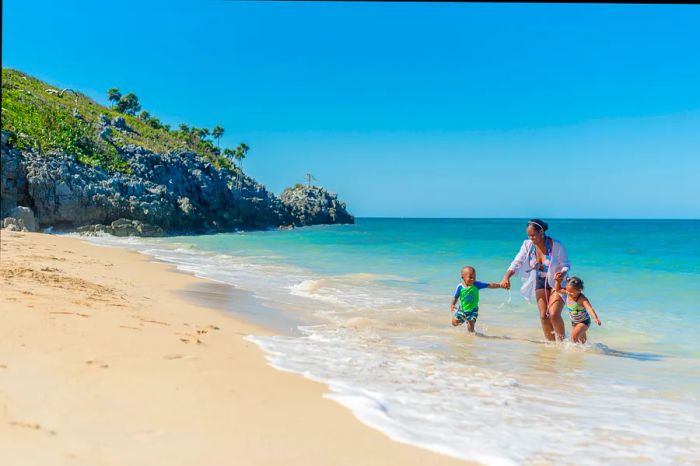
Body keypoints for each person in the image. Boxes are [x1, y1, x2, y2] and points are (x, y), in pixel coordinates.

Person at [500, 219, 571, 341]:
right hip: (540, 281)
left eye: (533, 235)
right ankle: (551, 346)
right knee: (544, 316)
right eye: (529, 235)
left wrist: (562, 273)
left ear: (541, 231)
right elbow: (517, 262)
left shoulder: (556, 245)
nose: (531, 238)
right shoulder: (527, 245)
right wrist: (506, 277)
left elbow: (566, 264)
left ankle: (562, 344)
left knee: (553, 314)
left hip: (557, 282)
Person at [451, 266, 505, 333]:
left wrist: (500, 285)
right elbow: (456, 297)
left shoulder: (476, 284)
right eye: (470, 277)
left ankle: (470, 339)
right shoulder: (460, 287)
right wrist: (453, 304)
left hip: (473, 310)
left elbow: (489, 285)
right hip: (462, 309)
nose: (472, 279)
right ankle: (462, 321)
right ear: (463, 277)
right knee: (454, 323)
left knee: (471, 326)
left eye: (474, 277)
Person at [551, 274, 601, 344]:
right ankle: (585, 352)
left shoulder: (582, 299)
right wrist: (557, 281)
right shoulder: (568, 292)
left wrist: (596, 319)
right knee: (583, 343)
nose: (569, 293)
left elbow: (589, 308)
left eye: (572, 292)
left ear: (579, 290)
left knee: (574, 337)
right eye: (568, 291)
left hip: (584, 322)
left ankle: (574, 351)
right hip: (574, 322)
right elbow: (558, 290)